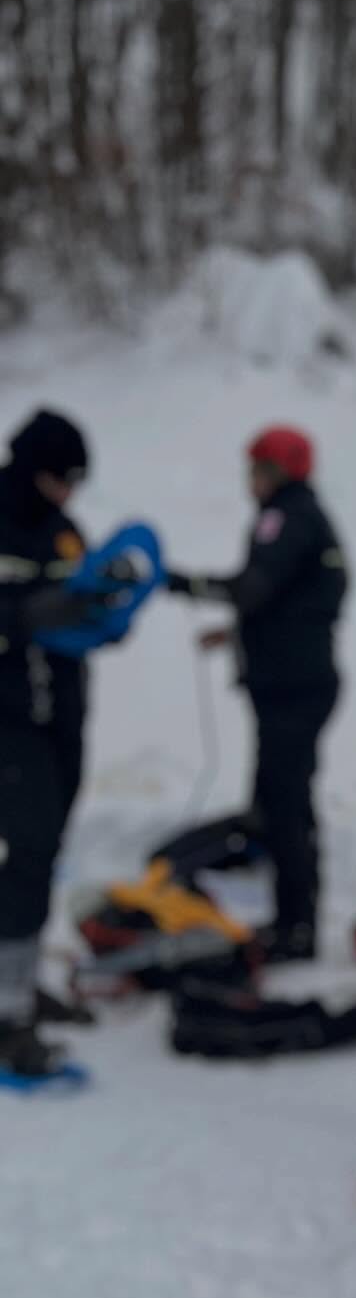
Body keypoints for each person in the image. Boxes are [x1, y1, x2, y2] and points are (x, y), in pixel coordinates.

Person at [166, 427, 347, 962]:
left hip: (293, 691)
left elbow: (254, 587)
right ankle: (288, 911)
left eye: (257, 470)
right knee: (277, 798)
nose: (250, 481)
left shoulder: (285, 518)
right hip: (296, 685)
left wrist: (180, 584)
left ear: (280, 471)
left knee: (284, 805)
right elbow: (293, 601)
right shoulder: (307, 518)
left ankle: (297, 928)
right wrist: (238, 633)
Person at [0, 411, 104, 1079]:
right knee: (31, 848)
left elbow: (88, 589)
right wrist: (29, 614)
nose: (70, 493)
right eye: (63, 479)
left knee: (47, 849)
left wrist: (107, 604)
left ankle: (21, 980)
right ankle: (8, 1012)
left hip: (63, 714)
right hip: (9, 717)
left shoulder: (64, 529)